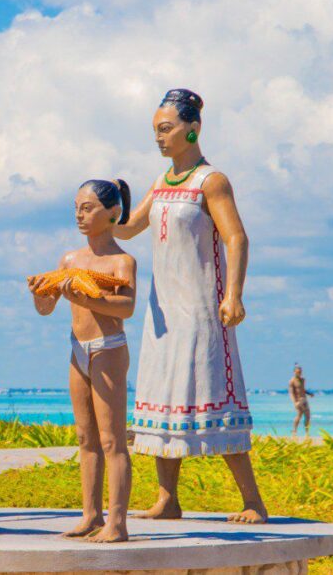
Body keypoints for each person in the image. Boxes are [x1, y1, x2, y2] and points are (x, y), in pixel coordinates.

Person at [115, 89, 268, 524]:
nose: (159, 138)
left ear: (192, 128)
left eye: (166, 129)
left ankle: (253, 500)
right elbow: (127, 229)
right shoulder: (161, 181)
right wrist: (109, 203)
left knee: (214, 396)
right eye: (155, 131)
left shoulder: (211, 181)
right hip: (163, 313)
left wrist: (234, 294)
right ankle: (168, 499)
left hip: (202, 310)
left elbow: (236, 237)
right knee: (166, 400)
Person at [28, 179, 136, 542]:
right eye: (76, 207)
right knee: (85, 436)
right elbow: (47, 308)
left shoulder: (122, 261)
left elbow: (127, 307)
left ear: (113, 213)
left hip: (108, 348)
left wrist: (87, 297)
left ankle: (117, 523)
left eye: (87, 208)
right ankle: (91, 515)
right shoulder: (70, 260)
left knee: (112, 440)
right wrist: (41, 293)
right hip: (78, 349)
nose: (79, 214)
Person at [289, 365, 314, 437]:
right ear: (294, 372)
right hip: (298, 400)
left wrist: (309, 394)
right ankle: (294, 431)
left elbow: (302, 389)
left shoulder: (303, 380)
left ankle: (307, 432)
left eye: (300, 372)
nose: (299, 373)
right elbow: (291, 393)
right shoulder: (292, 381)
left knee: (308, 416)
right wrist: (295, 402)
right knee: (299, 415)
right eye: (297, 372)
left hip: (304, 399)